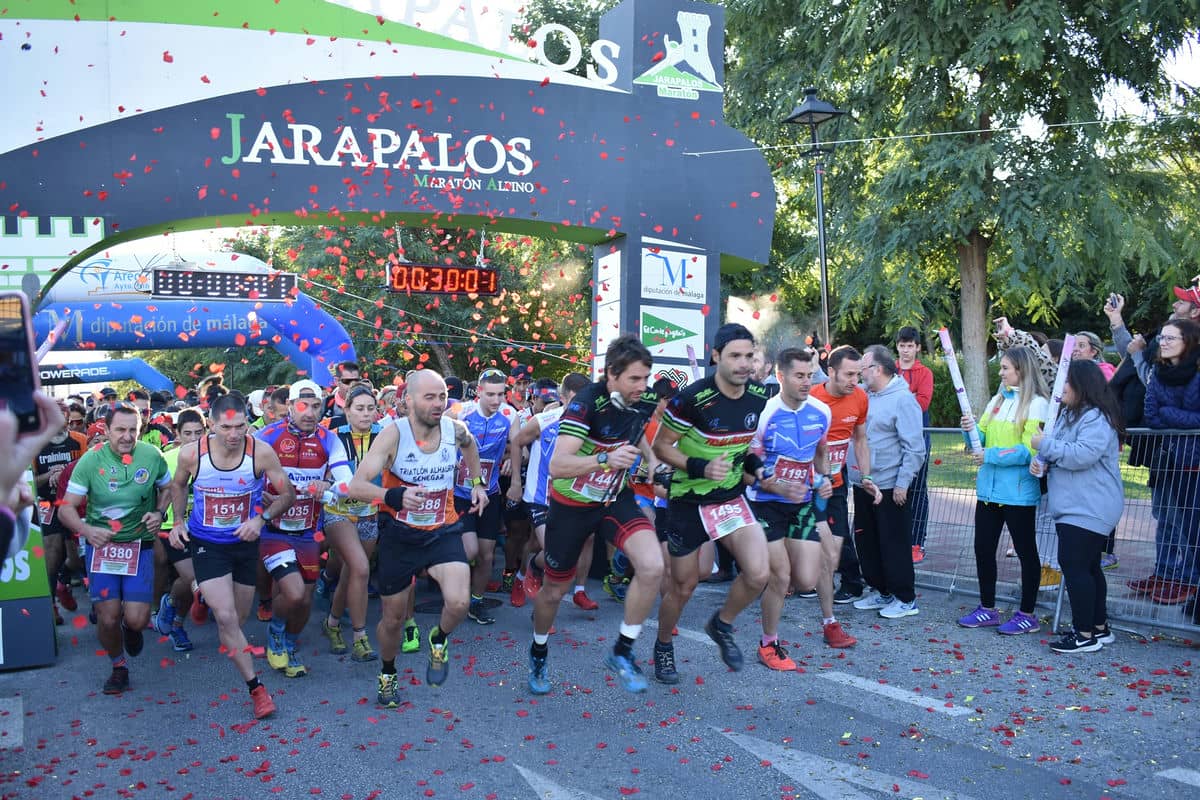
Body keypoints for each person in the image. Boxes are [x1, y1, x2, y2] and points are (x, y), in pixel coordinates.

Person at [526, 335, 664, 694]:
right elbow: (558, 464)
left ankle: (622, 650)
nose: (642, 387)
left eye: (646, 378)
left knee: (652, 566)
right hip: (571, 506)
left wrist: (648, 456)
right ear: (611, 375)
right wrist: (603, 458)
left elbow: (636, 427)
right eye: (634, 379)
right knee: (555, 591)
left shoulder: (643, 398)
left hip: (613, 499)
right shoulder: (586, 405)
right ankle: (539, 650)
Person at [348, 369, 488, 704]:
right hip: (401, 535)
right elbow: (356, 485)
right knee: (393, 621)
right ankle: (388, 671)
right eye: (430, 397)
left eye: (442, 396)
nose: (438, 403)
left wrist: (477, 483)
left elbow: (471, 447)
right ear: (407, 400)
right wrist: (394, 497)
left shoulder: (455, 430)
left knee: (458, 602)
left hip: (442, 530)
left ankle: (438, 638)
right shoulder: (394, 435)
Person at [652, 323, 773, 680]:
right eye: (735, 356)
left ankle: (721, 625)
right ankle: (662, 645)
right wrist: (700, 466)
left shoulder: (757, 395)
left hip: (729, 497)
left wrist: (758, 466)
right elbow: (661, 447)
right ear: (716, 357)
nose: (743, 363)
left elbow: (744, 447)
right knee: (684, 586)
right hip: (688, 501)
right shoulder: (691, 399)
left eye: (749, 356)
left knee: (758, 573)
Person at [169, 392, 297, 719]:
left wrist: (260, 519)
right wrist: (179, 521)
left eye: (240, 426)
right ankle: (257, 689)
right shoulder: (191, 454)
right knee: (225, 618)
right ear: (211, 424)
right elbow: (179, 485)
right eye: (226, 428)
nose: (233, 435)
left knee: (238, 620)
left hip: (244, 543)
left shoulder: (261, 452)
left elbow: (287, 494)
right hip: (207, 543)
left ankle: (202, 597)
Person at [58, 403, 173, 695]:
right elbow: (66, 509)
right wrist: (86, 530)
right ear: (106, 430)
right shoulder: (90, 461)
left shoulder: (151, 456)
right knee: (108, 617)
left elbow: (168, 489)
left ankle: (131, 630)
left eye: (133, 429)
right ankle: (118, 666)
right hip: (103, 547)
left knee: (136, 619)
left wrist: (159, 513)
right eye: (120, 429)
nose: (127, 436)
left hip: (139, 544)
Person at [748, 346, 856, 660]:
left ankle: (763, 578)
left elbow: (820, 454)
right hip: (766, 503)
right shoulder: (765, 414)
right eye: (799, 376)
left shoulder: (820, 411)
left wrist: (823, 479)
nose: (807, 382)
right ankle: (769, 643)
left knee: (807, 578)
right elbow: (747, 463)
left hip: (803, 502)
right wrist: (771, 481)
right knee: (781, 576)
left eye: (810, 375)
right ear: (781, 376)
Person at [256, 380, 355, 678]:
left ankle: (289, 641)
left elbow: (346, 483)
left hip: (308, 531)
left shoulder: (329, 439)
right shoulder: (267, 436)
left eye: (316, 406)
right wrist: (261, 495)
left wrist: (329, 486)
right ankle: (275, 633)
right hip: (274, 530)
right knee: (295, 592)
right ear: (289, 406)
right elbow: (244, 476)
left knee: (305, 601)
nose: (310, 412)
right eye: (303, 405)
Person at [1030, 361, 1125, 653]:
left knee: (1074, 566)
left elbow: (1082, 455)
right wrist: (1042, 464)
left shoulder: (1096, 417)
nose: (1060, 390)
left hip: (1089, 505)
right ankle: (1098, 627)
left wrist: (1044, 446)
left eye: (1066, 383)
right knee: (1088, 566)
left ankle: (1084, 634)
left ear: (1082, 384)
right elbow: (1062, 453)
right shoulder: (1069, 415)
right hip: (1076, 503)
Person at [957, 347, 1050, 634]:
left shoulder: (1036, 404)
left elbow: (1027, 449)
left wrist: (991, 455)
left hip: (1018, 492)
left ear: (1021, 370)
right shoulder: (997, 400)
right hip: (989, 490)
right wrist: (968, 429)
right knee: (983, 548)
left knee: (1025, 552)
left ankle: (1027, 613)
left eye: (1005, 368)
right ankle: (987, 608)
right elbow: (979, 439)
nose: (1001, 372)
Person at [850, 346, 926, 619]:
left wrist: (902, 483)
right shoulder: (865, 396)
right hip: (864, 482)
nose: (860, 374)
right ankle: (881, 590)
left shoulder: (903, 400)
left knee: (893, 543)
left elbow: (915, 448)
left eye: (864, 368)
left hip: (889, 484)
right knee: (867, 543)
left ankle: (905, 598)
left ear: (879, 369)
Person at [507, 374, 594, 610]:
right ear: (563, 397)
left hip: (570, 496)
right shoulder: (545, 419)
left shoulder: (592, 423)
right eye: (574, 401)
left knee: (539, 545)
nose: (579, 406)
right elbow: (516, 442)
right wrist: (516, 481)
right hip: (539, 497)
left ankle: (525, 577)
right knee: (555, 551)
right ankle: (537, 604)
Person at [1139, 318, 1200, 606]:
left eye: (1170, 338)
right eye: (1161, 337)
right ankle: (1170, 575)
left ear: (1187, 342)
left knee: (1193, 526)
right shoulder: (1157, 371)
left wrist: (1170, 414)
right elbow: (1151, 415)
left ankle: (1191, 579)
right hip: (1170, 460)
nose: (1162, 343)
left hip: (1195, 461)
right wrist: (1176, 417)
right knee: (1173, 521)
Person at [449, 368, 517, 625]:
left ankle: (475, 602)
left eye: (500, 394)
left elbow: (519, 444)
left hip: (490, 493)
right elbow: (437, 433)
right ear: (478, 392)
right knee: (470, 550)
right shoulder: (460, 412)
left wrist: (512, 458)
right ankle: (452, 589)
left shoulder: (510, 415)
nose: (496, 400)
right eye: (490, 394)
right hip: (460, 493)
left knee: (487, 555)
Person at [320, 385, 382, 662]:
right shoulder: (333, 437)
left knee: (352, 573)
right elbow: (323, 475)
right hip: (338, 512)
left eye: (370, 408)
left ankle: (332, 623)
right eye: (359, 408)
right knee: (360, 567)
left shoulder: (384, 436)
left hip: (370, 512)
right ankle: (360, 637)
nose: (366, 414)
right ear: (346, 410)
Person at [810, 346, 874, 604]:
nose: (854, 381)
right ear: (830, 372)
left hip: (836, 479)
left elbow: (860, 440)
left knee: (838, 535)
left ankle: (850, 582)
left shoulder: (860, 398)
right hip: (806, 481)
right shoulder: (811, 398)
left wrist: (866, 476)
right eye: (848, 375)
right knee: (808, 531)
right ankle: (801, 578)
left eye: (857, 374)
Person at [151, 408, 206, 652]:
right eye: (188, 433)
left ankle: (174, 615)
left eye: (198, 433)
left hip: (206, 529)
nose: (193, 439)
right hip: (171, 528)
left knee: (196, 582)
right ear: (177, 434)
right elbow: (157, 493)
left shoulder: (217, 456)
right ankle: (173, 616)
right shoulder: (166, 459)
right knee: (193, 579)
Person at [0, 393, 65, 568]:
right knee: (52, 549)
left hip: (68, 504)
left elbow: (12, 546)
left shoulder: (77, 440)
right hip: (46, 504)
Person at [895, 327, 934, 563]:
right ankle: (897, 538)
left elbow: (923, 403)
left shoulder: (925, 373)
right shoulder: (890, 370)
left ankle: (916, 542)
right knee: (893, 487)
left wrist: (896, 405)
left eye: (910, 346)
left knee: (917, 489)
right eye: (902, 345)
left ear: (918, 347)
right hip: (892, 437)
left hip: (918, 436)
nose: (906, 350)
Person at [324, 361, 362, 425]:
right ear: (336, 381)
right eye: (347, 381)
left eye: (356, 381)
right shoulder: (325, 404)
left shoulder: (367, 403)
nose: (352, 385)